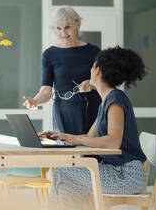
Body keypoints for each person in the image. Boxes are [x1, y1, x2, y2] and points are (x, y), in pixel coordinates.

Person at [38, 46, 147, 209]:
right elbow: (89, 138)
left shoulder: (115, 100)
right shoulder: (105, 102)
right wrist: (61, 136)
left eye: (92, 66)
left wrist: (73, 138)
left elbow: (113, 142)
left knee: (63, 172)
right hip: (116, 171)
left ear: (98, 70)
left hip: (127, 175)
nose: (90, 70)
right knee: (67, 174)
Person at [23, 6, 101, 135]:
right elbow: (46, 90)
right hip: (64, 112)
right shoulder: (49, 54)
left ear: (78, 24)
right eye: (58, 28)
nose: (63, 33)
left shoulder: (94, 52)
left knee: (91, 152)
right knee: (67, 151)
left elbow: (106, 86)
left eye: (67, 27)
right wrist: (35, 101)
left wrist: (92, 85)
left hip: (92, 109)